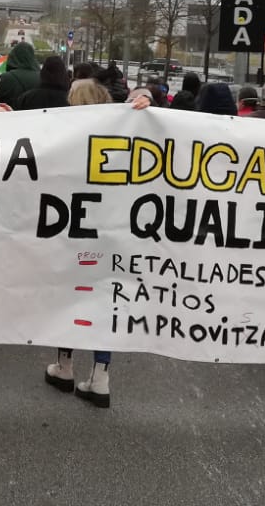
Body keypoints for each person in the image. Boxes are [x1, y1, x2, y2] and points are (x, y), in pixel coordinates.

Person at [45, 82, 151, 407]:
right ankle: (100, 376)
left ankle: (64, 366)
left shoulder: (58, 134)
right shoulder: (125, 135)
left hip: (69, 231)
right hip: (112, 231)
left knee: (68, 299)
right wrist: (149, 108)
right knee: (105, 302)